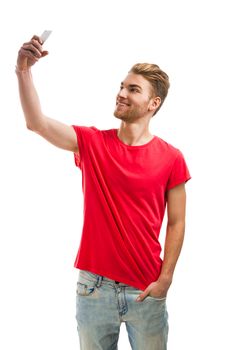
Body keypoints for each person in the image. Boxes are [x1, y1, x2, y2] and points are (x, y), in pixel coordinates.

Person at [16, 34, 191, 350]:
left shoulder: (172, 157)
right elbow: (36, 123)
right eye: (122, 86)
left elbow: (177, 222)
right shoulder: (92, 143)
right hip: (93, 289)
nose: (121, 93)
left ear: (154, 103)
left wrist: (166, 279)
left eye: (133, 89)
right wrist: (23, 71)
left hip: (145, 288)